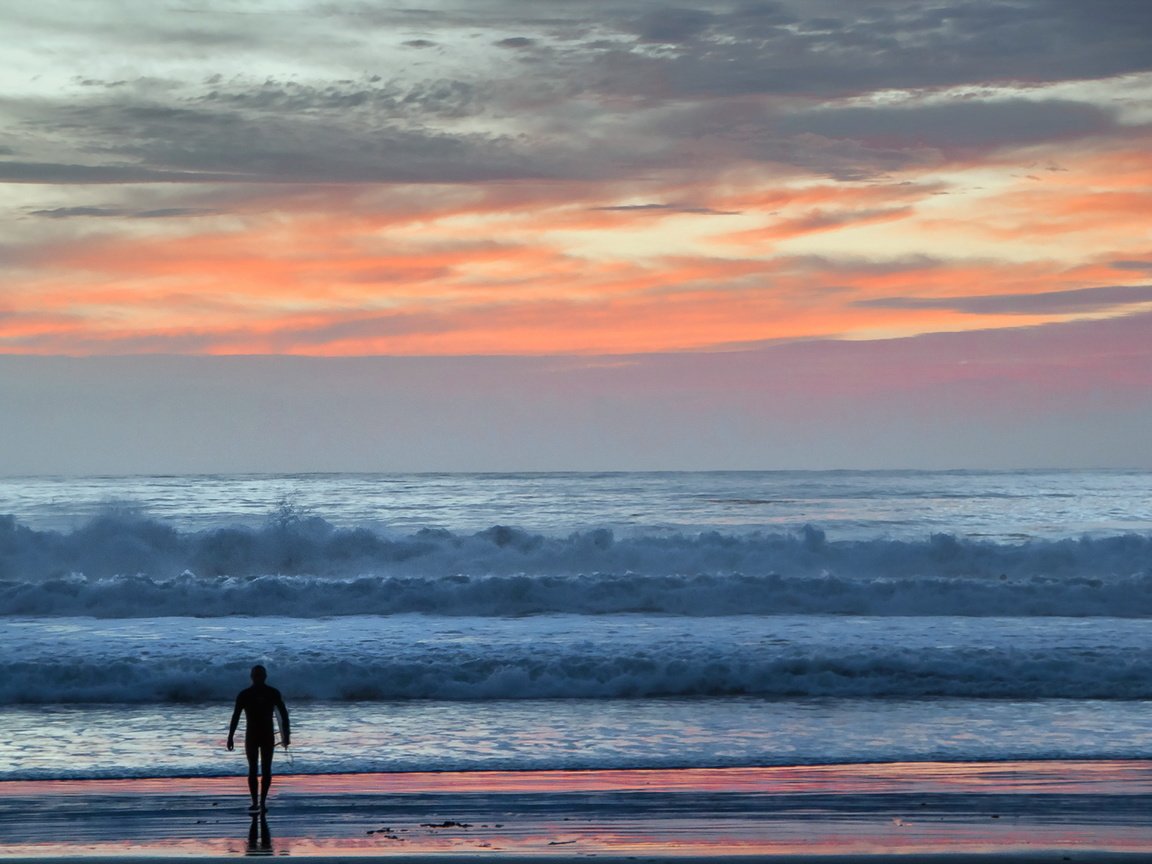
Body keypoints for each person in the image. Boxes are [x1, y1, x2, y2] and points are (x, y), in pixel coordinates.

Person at [227, 664, 290, 813]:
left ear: (265, 676)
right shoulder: (245, 695)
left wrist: (286, 735)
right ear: (252, 677)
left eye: (260, 675)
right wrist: (230, 736)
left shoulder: (272, 693)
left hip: (267, 735)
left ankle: (262, 802)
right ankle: (255, 802)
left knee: (266, 769)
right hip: (252, 736)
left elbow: (284, 715)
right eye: (256, 675)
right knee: (253, 769)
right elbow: (235, 716)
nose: (258, 678)